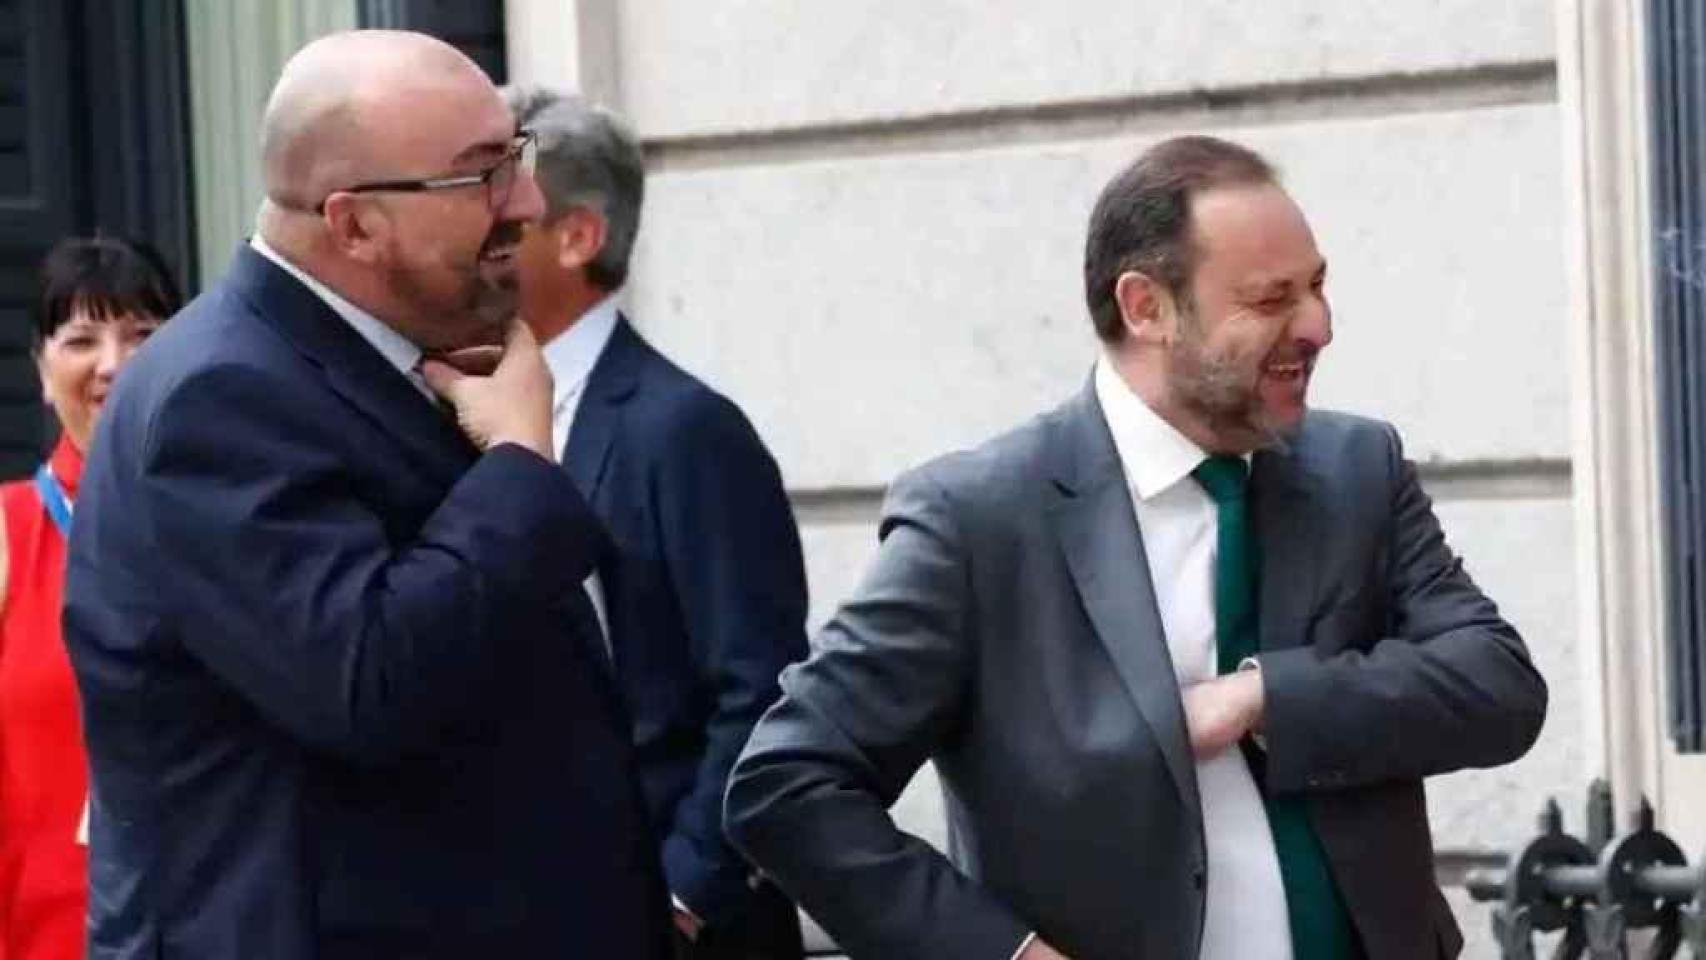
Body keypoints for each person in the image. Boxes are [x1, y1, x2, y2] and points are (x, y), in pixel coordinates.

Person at [724, 135, 1548, 960]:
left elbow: (1498, 686)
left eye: (1317, 287)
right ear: (1146, 307)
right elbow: (788, 783)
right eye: (1271, 300)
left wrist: (1265, 699)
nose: (1318, 326)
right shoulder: (980, 520)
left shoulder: (1356, 469)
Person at [62, 31, 670, 960]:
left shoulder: (389, 355)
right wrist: (519, 463)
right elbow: (370, 682)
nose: (526, 201)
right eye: (482, 174)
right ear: (352, 226)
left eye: (515, 156)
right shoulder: (217, 397)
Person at [502, 86, 809, 960]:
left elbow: (763, 686)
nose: (478, 242)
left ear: (577, 236)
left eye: (507, 221)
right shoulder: (455, 410)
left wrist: (683, 894)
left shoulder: (683, 429)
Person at [0, 235, 179, 960]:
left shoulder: (240, 522)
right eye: (82, 340)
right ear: (43, 373)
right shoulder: (7, 532)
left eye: (143, 334)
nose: (115, 363)